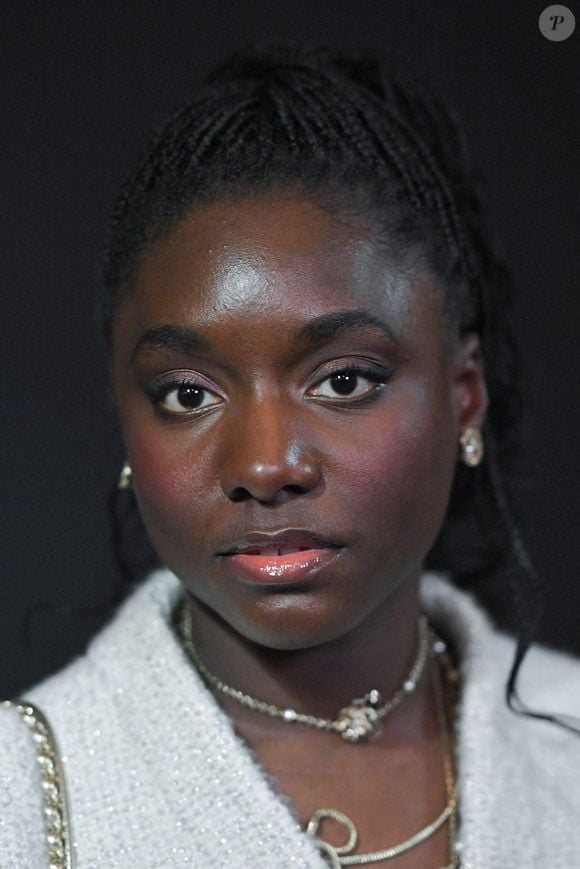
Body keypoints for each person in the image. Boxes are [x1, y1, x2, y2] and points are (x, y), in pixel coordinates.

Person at [2, 43, 579, 869]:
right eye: (187, 394)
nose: (266, 465)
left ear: (464, 394)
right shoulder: (22, 801)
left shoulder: (568, 735)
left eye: (344, 379)